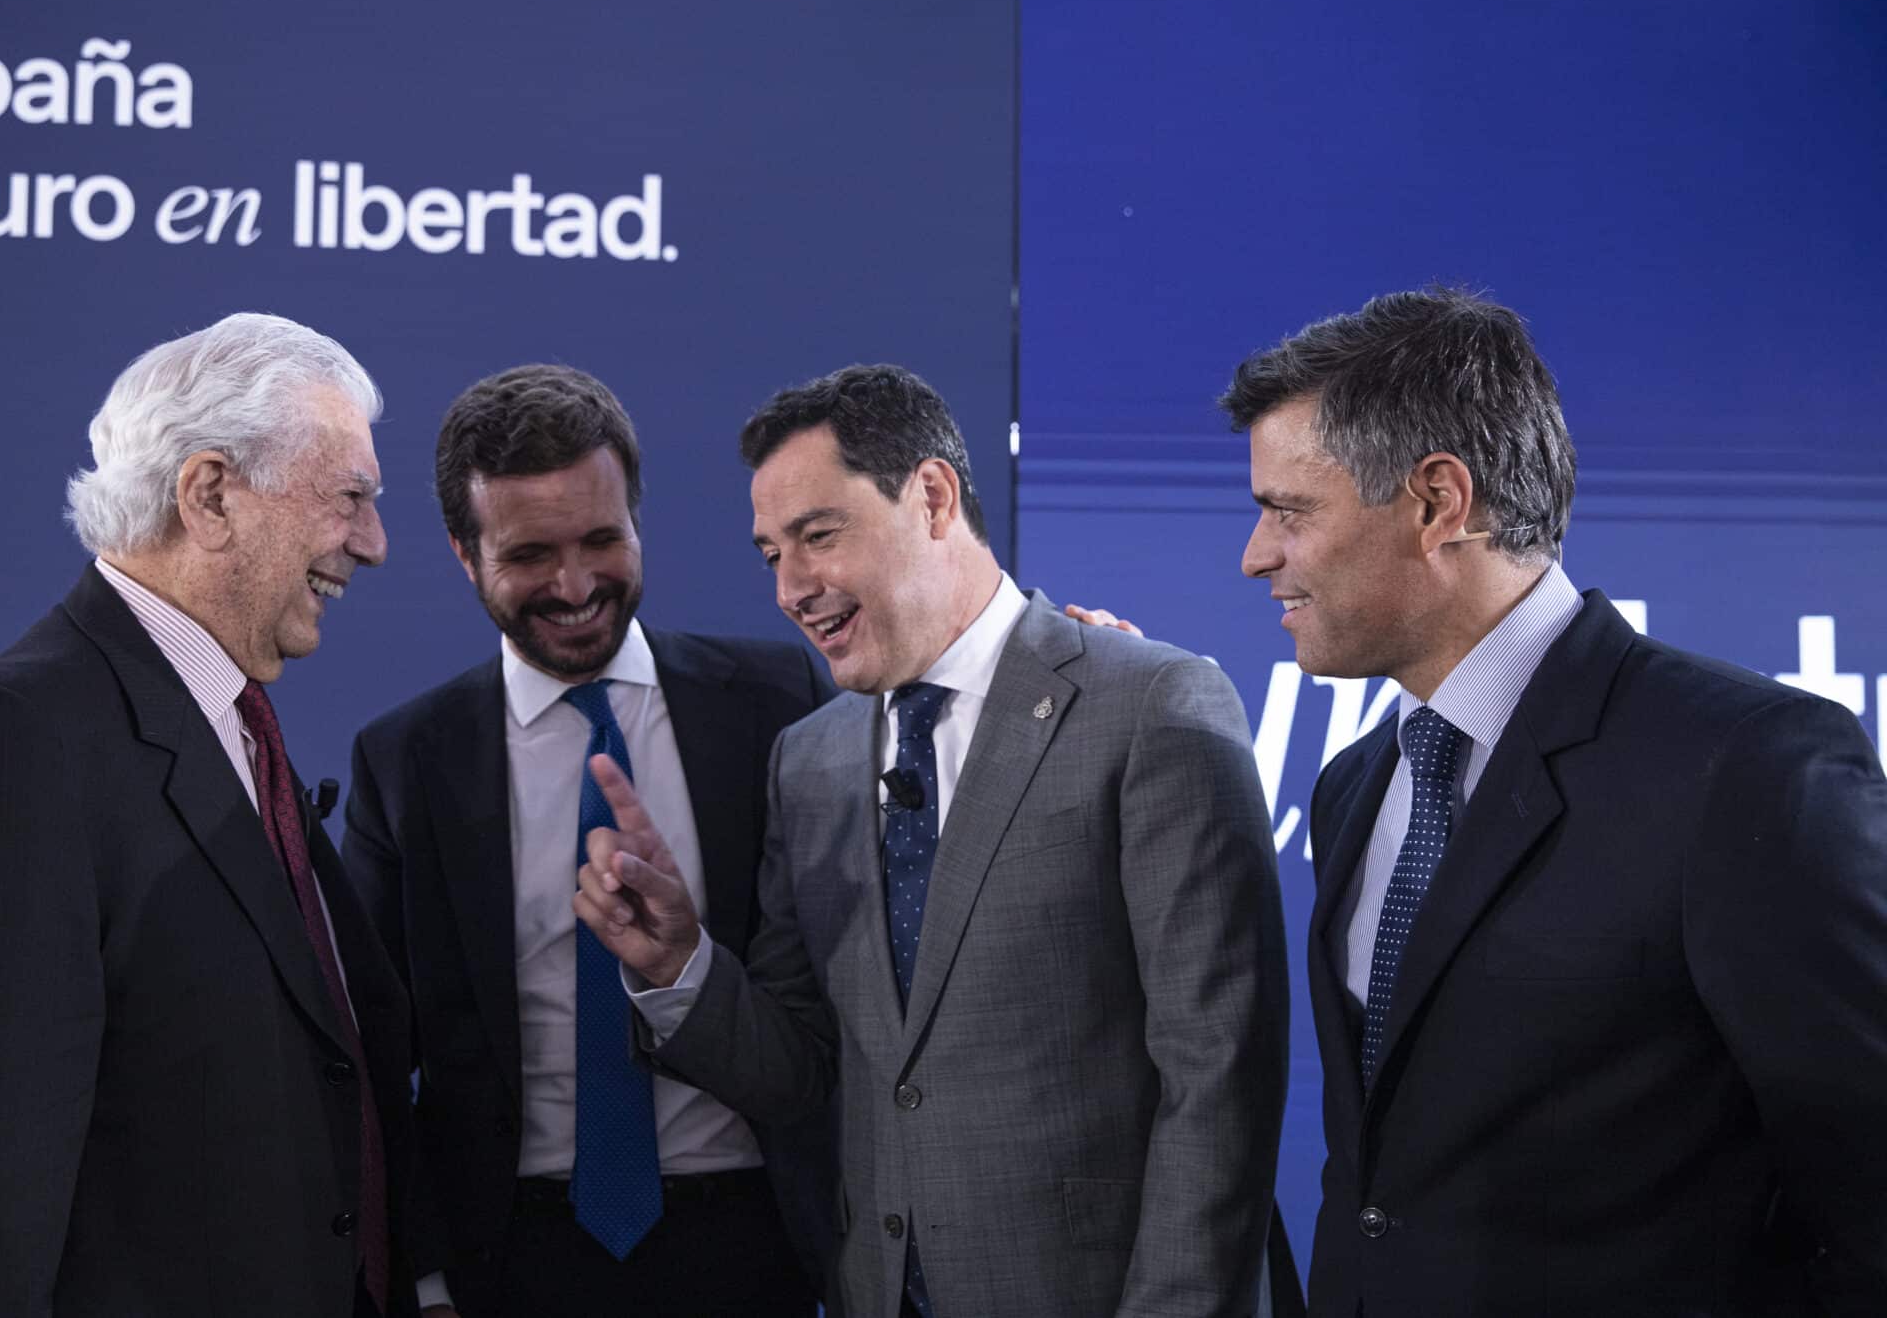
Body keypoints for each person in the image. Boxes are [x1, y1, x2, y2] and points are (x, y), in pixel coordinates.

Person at [575, 364, 1293, 1318]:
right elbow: (806, 1071)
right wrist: (679, 965)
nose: (792, 588)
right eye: (769, 554)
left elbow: (1219, 1083)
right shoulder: (811, 760)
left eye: (819, 536)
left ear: (933, 496)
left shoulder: (1146, 705)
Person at [1224, 286, 1887, 1316]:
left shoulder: (1747, 766)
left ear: (1437, 502)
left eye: (1288, 511)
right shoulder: (1354, 787)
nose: (1254, 554)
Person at [0, 313, 416, 1317]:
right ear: (209, 496)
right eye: (349, 498)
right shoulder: (11, 740)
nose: (372, 543)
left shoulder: (236, 726)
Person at [341, 364, 839, 1318]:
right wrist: (429, 1281)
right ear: (463, 551)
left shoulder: (780, 704)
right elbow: (369, 1061)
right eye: (531, 553)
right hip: (511, 1262)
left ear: (637, 521)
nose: (575, 586)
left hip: (755, 1245)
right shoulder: (406, 762)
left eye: (602, 539)